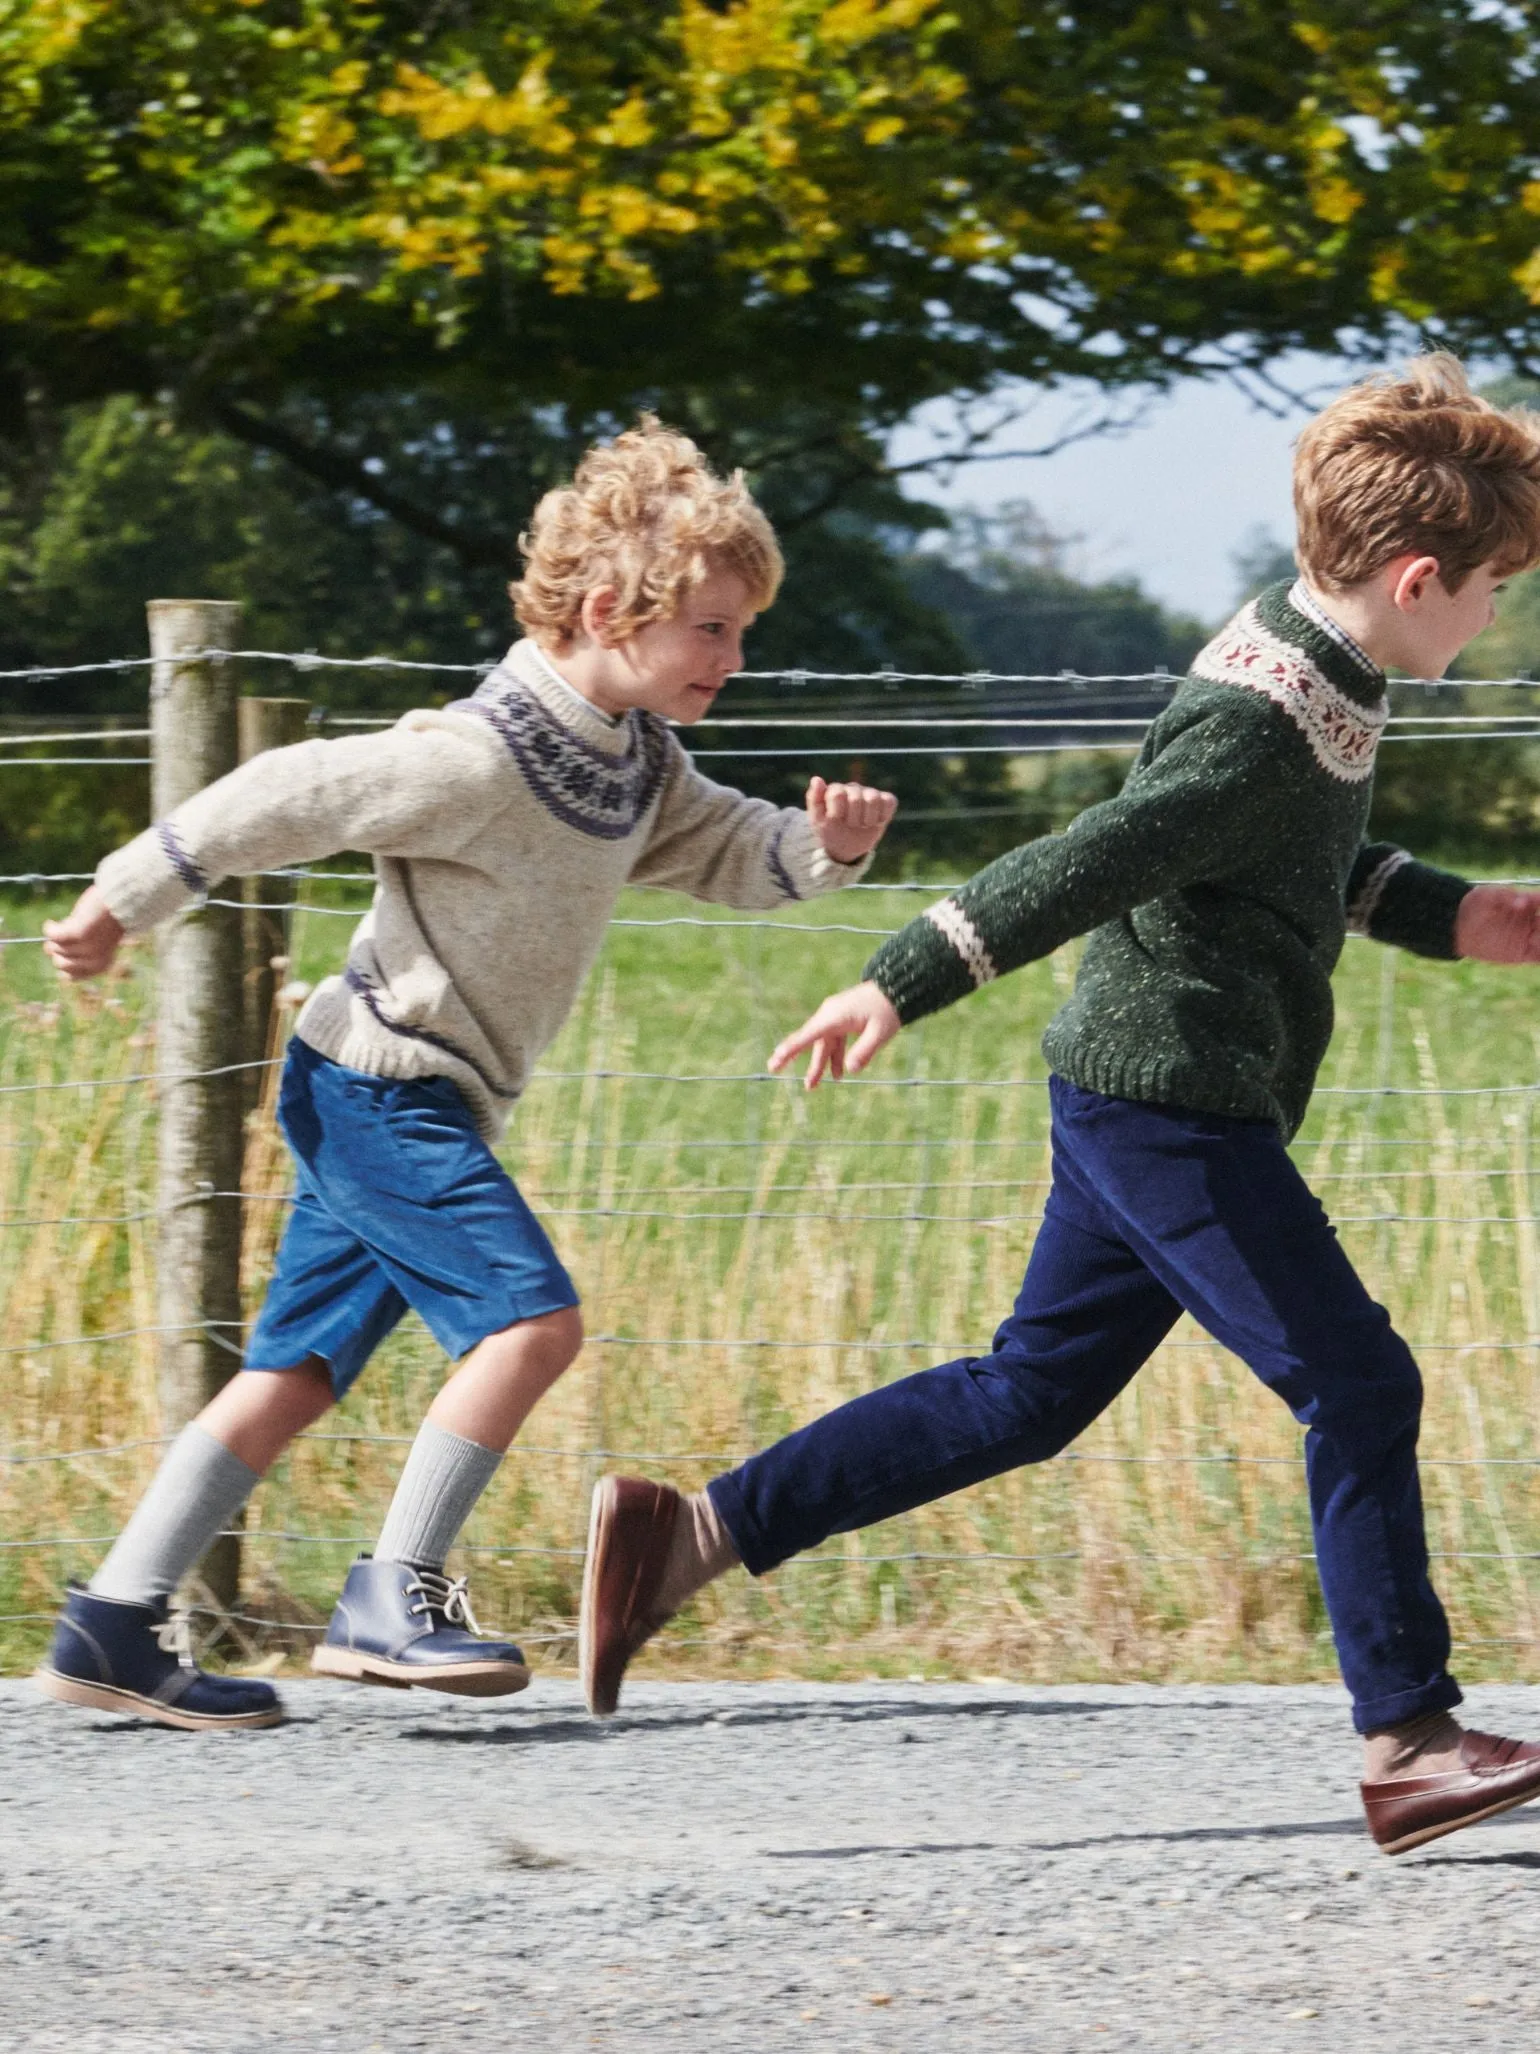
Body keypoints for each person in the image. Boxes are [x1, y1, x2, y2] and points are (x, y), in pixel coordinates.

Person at [581, 357, 1540, 1856]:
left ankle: (684, 1534)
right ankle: (1408, 1736)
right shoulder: (1261, 713)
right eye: (1490, 589)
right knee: (1359, 1381)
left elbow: (1299, 863)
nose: (1493, 618)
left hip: (1143, 1095)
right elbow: (1097, 858)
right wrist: (893, 979)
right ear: (1419, 576)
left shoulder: (1325, 669)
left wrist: (1471, 913)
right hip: (1172, 1108)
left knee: (1028, 1393)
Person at [33, 418, 897, 1731]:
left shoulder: (633, 759)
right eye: (714, 630)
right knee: (531, 1323)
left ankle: (114, 1619)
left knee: (295, 1374)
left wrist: (827, 848)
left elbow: (734, 851)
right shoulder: (480, 755)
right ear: (611, 609)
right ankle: (396, 1590)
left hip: (407, 1094)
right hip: (379, 1083)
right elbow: (284, 791)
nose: (735, 655)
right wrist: (121, 898)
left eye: (739, 630)